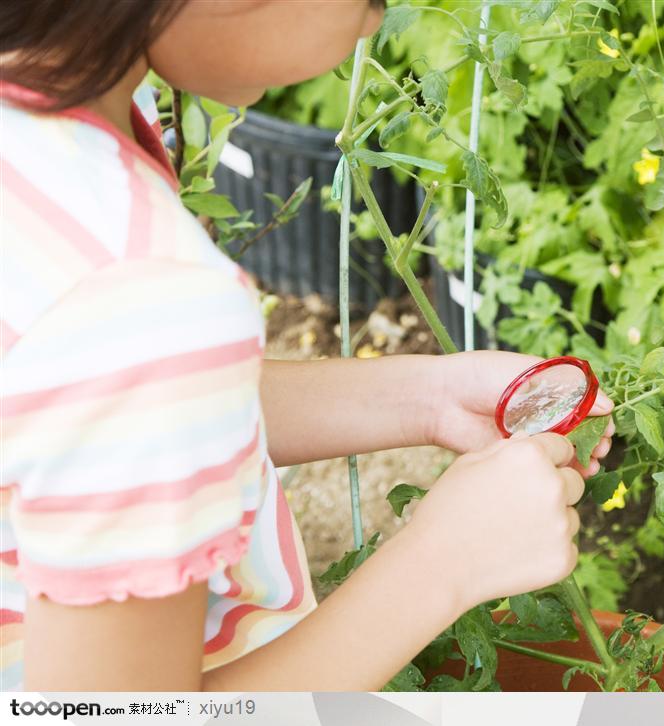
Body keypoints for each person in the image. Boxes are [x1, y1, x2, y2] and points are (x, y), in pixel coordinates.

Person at [0, 0, 615, 691]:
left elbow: (105, 408)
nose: (376, 21)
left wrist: (429, 396)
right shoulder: (142, 294)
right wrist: (445, 563)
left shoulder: (44, 153)